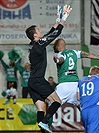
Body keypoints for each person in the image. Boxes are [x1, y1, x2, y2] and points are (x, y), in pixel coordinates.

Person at [25, 5, 72, 133]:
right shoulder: (39, 44)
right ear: (35, 35)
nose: (41, 31)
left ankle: (42, 129)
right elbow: (56, 33)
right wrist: (64, 18)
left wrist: (57, 19)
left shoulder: (34, 45)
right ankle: (45, 122)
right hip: (38, 80)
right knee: (57, 101)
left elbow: (49, 33)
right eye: (38, 30)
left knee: (41, 108)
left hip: (32, 82)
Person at [53, 38, 99, 108]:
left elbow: (61, 59)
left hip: (64, 84)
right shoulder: (74, 52)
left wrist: (57, 61)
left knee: (53, 104)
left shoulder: (60, 54)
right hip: (75, 84)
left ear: (58, 47)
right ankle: (88, 118)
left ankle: (45, 119)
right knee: (82, 106)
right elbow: (88, 55)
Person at [77, 66, 99, 133]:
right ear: (98, 74)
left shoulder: (80, 81)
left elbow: (77, 97)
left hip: (84, 110)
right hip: (95, 108)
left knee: (87, 131)